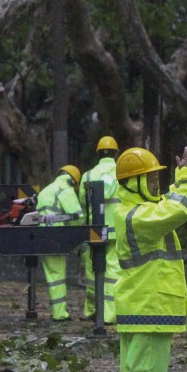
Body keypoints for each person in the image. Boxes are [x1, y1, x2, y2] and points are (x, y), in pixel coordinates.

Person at [112, 145, 187, 372]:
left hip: (140, 307)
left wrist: (181, 178)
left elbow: (166, 204)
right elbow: (177, 210)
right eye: (150, 179)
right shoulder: (138, 217)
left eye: (156, 179)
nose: (156, 185)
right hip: (150, 309)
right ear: (134, 183)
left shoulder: (134, 211)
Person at [80, 135, 122, 323]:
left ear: (98, 153)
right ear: (115, 153)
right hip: (115, 228)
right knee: (113, 271)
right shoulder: (122, 172)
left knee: (92, 269)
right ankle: (110, 314)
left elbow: (82, 203)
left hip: (93, 228)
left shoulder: (88, 175)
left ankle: (91, 310)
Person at [35, 164, 84, 320]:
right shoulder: (65, 189)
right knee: (58, 276)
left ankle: (58, 312)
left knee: (52, 276)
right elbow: (78, 216)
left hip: (41, 235)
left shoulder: (46, 190)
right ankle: (60, 314)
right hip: (56, 236)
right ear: (73, 181)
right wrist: (76, 238)